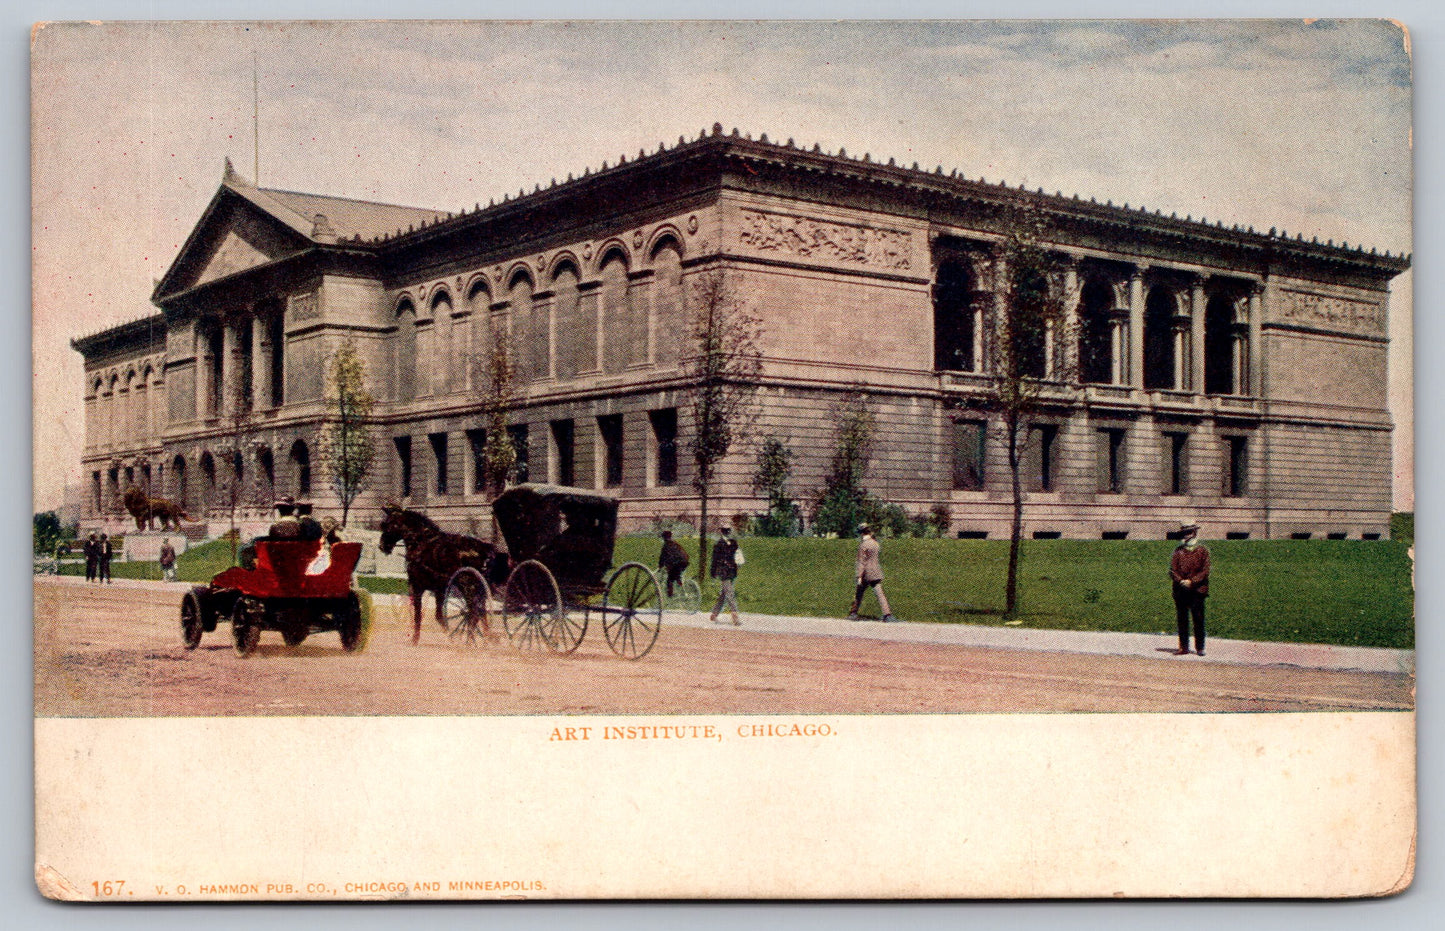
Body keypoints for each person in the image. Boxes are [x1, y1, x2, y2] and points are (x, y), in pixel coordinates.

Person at [1169, 521, 1210, 656]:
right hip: (1181, 590)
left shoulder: (1202, 550)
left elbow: (1205, 570)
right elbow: (1173, 570)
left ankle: (1200, 647)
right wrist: (1181, 581)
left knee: (1198, 619)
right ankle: (1183, 647)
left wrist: (1192, 581)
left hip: (1197, 590)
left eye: (1189, 533)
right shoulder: (1178, 551)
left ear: (1194, 533)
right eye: (1184, 533)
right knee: (1182, 619)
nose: (1187, 536)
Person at [848, 523, 898, 622]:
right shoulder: (875, 544)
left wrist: (858, 576)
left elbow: (861, 562)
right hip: (875, 572)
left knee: (859, 593)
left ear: (861, 533)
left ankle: (853, 613)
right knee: (880, 593)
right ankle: (887, 614)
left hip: (866, 573)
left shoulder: (863, 545)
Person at [708, 525, 742, 626]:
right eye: (727, 531)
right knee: (730, 593)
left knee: (724, 593)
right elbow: (715, 560)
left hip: (731, 571)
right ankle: (735, 616)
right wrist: (713, 572)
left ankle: (714, 614)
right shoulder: (719, 544)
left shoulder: (732, 543)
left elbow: (736, 555)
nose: (728, 532)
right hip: (724, 572)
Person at [658, 530, 690, 598]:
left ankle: (670, 596)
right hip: (684, 562)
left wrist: (660, 567)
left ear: (664, 538)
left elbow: (662, 558)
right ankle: (681, 587)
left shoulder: (666, 546)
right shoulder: (675, 543)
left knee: (670, 580)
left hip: (676, 564)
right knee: (677, 576)